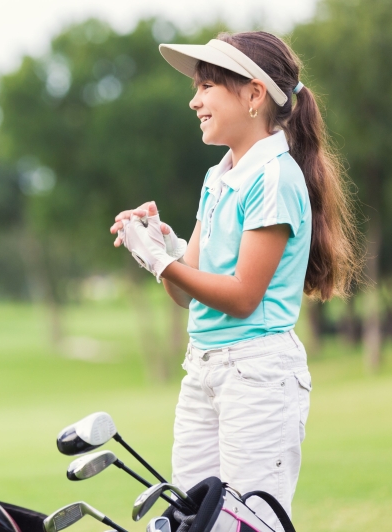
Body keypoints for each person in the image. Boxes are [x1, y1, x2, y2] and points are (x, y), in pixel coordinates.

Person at [109, 32, 362, 529]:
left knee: (250, 523)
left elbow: (244, 297)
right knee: (193, 520)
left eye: (207, 87)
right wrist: (165, 250)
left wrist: (161, 263)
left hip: (257, 376)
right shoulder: (219, 176)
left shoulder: (274, 177)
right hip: (203, 368)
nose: (194, 100)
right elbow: (186, 290)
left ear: (253, 95)